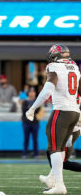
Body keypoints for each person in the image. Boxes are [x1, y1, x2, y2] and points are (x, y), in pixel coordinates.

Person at [26, 44, 81, 194]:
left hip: (62, 111)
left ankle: (60, 186)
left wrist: (32, 108)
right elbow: (78, 93)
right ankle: (53, 180)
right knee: (60, 148)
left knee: (53, 148)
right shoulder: (75, 67)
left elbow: (47, 90)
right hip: (74, 112)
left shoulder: (54, 66)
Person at [40, 115, 81, 189]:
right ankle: (52, 182)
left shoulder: (70, 106)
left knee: (61, 160)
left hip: (69, 131)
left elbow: (71, 114)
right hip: (68, 130)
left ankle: (53, 183)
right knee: (54, 154)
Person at [21, 88, 42, 159]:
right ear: (28, 93)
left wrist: (31, 110)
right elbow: (24, 111)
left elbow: (38, 111)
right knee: (26, 139)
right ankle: (24, 154)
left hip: (35, 123)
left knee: (35, 139)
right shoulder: (25, 102)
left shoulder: (37, 102)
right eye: (31, 92)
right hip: (26, 123)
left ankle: (36, 154)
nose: (32, 93)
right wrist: (33, 109)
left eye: (33, 92)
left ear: (35, 93)